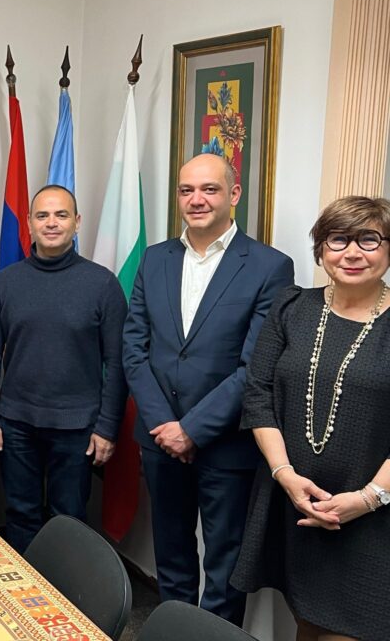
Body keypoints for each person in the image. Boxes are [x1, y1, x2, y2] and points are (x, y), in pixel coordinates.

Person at [123, 152, 294, 625]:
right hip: (159, 440)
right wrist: (165, 426)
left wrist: (192, 430)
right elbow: (134, 349)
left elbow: (256, 365)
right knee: (171, 557)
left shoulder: (270, 266)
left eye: (209, 189)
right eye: (186, 190)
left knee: (224, 568)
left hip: (226, 444)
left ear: (234, 194)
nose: (196, 200)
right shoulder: (155, 258)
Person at [231, 196, 390, 641]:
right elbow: (259, 393)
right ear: (321, 249)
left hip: (374, 516)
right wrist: (284, 474)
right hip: (296, 504)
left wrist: (368, 498)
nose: (352, 252)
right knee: (309, 623)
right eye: (338, 239)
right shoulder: (291, 307)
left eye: (369, 239)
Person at [0, 185, 127, 552]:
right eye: (42, 215)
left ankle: (65, 589)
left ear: (77, 222)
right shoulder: (6, 282)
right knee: (20, 514)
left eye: (61, 215)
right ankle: (24, 585)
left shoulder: (102, 284)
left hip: (78, 427)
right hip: (16, 423)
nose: (52, 223)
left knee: (69, 519)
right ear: (29, 223)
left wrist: (107, 428)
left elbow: (118, 362)